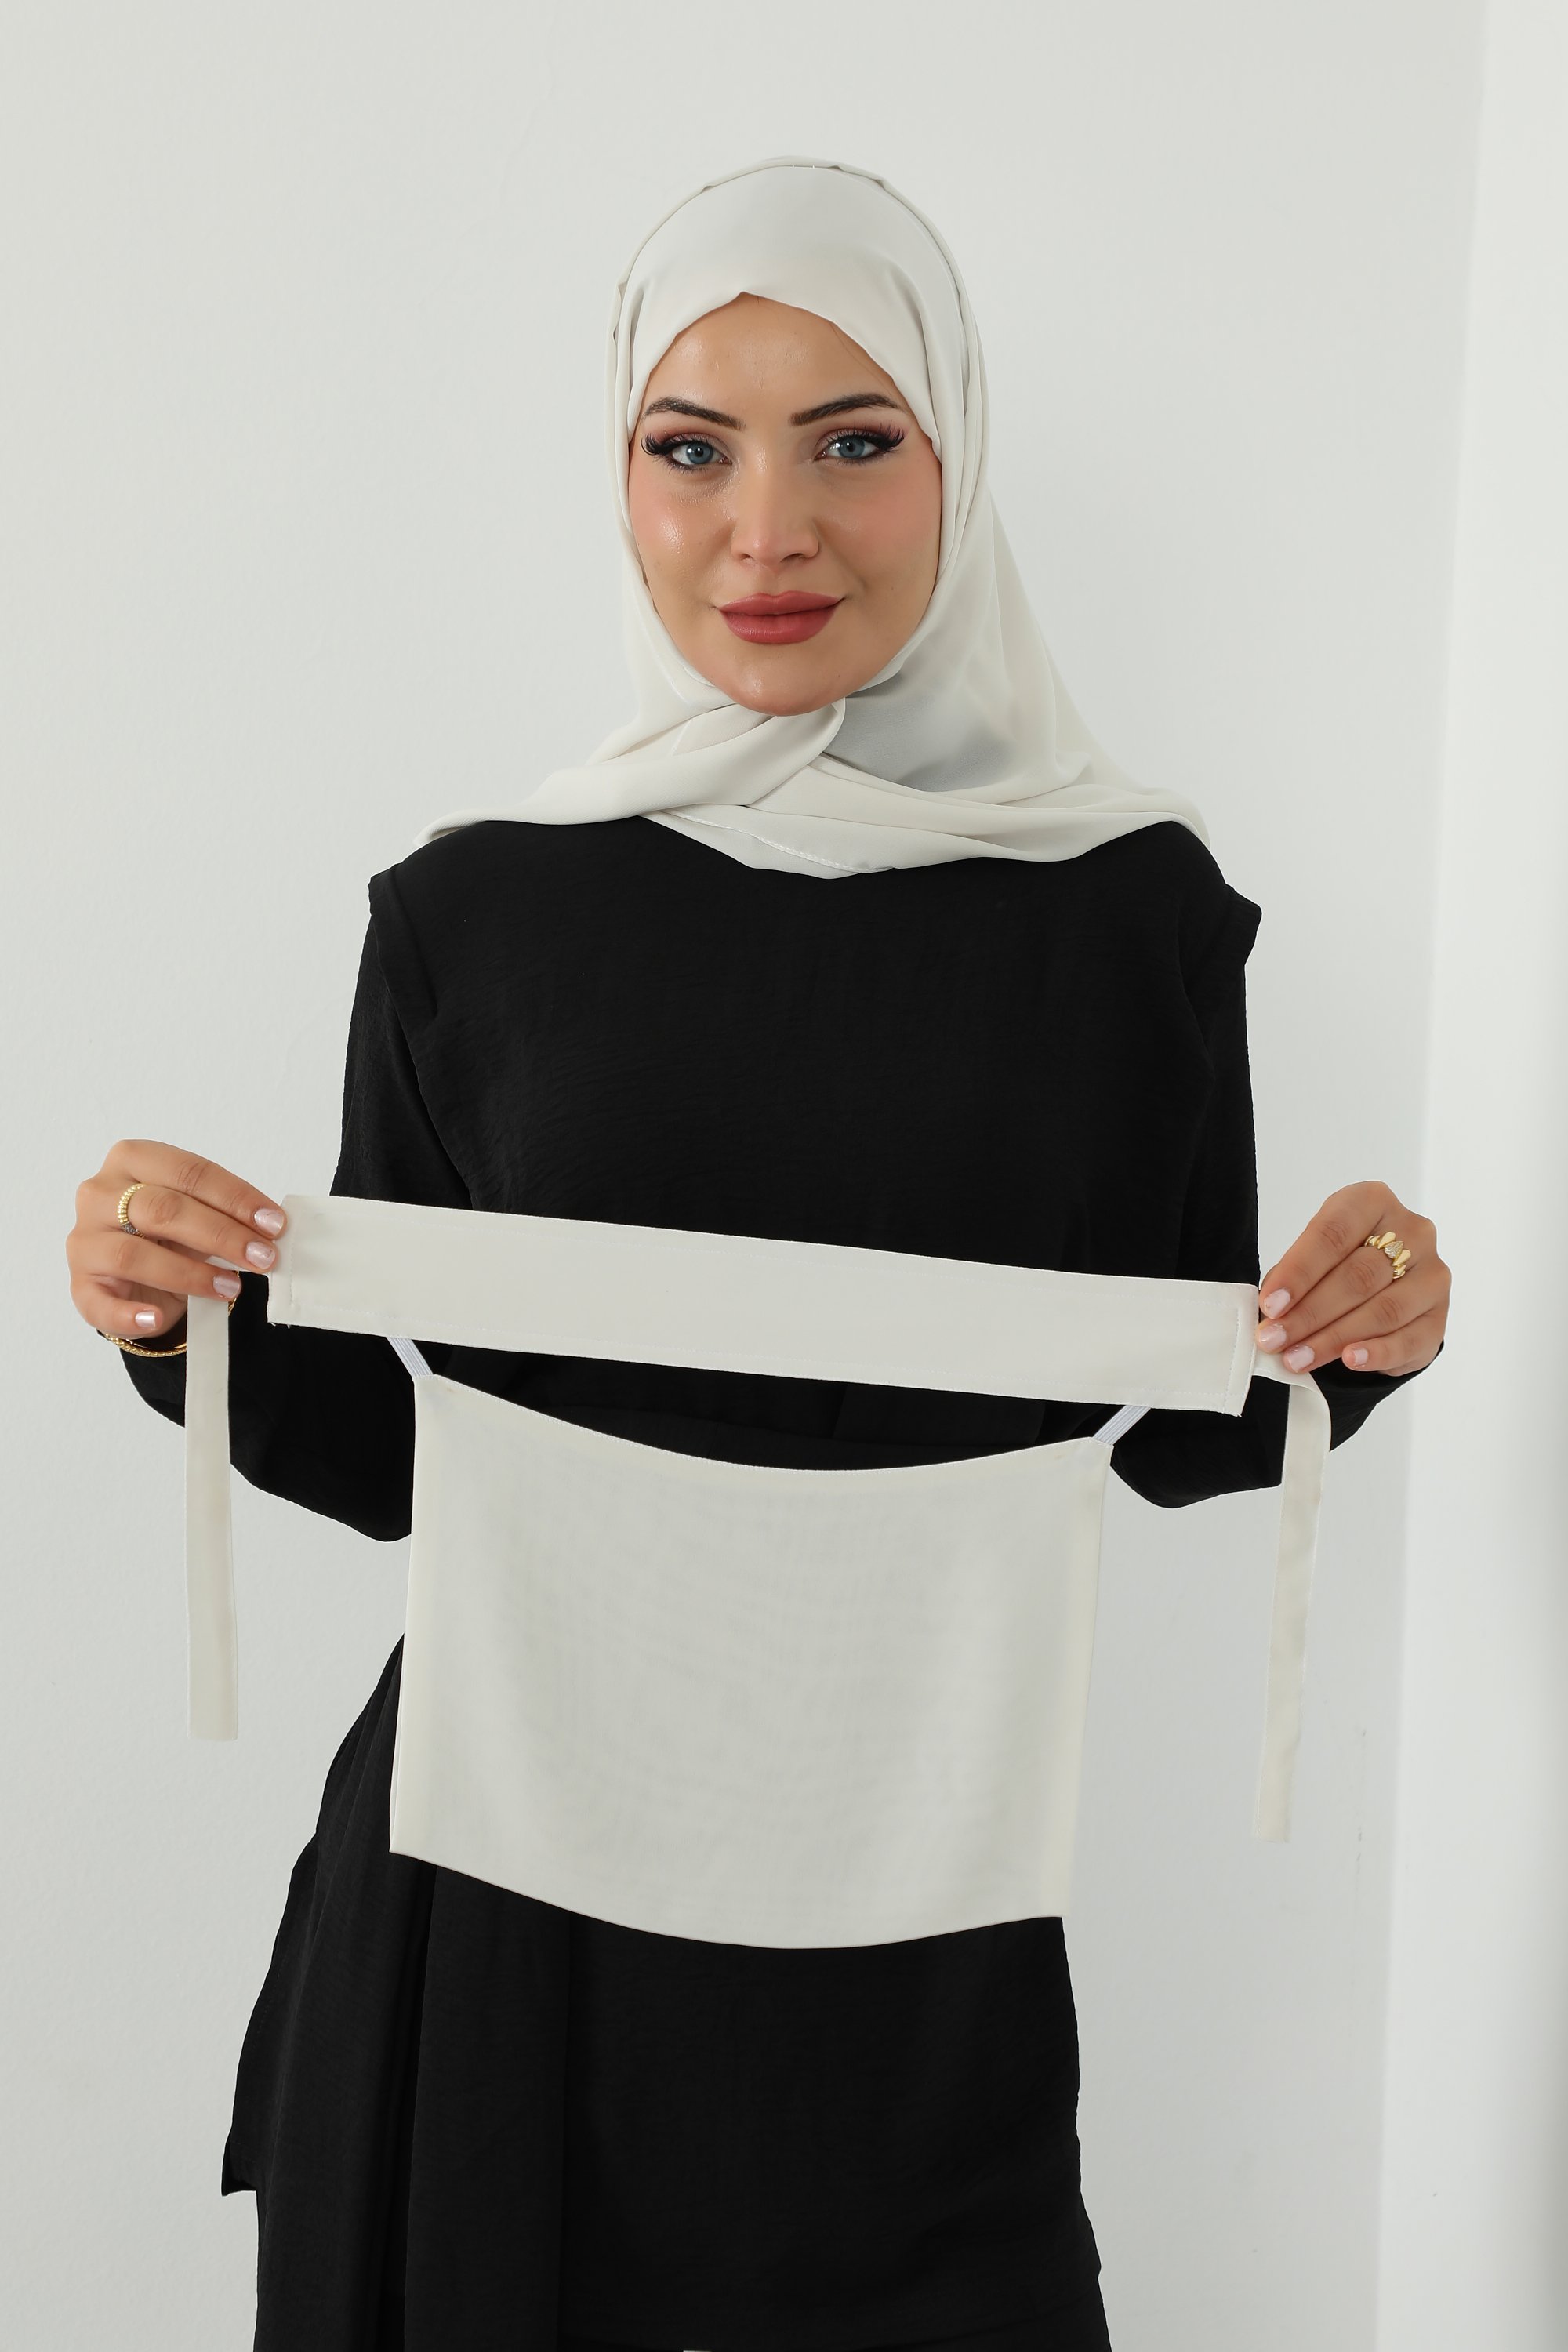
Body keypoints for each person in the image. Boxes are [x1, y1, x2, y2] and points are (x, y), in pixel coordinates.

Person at [65, 160, 1449, 2351]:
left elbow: (1181, 1425)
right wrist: (179, 1317)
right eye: (691, 448)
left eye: (854, 441)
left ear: (958, 458)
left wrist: (1356, 1329)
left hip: (919, 1939)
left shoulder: (1133, 923)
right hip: (499, 1917)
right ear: (620, 476)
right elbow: (423, 1466)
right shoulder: (475, 914)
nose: (767, 529)